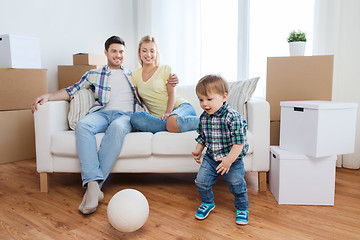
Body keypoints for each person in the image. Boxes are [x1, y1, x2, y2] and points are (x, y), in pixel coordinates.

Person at [31, 36, 177, 215]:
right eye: (114, 51)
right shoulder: (94, 74)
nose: (118, 55)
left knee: (117, 128)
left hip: (125, 116)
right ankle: (93, 184)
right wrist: (48, 96)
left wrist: (172, 81)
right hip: (102, 113)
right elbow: (72, 90)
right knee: (82, 125)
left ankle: (94, 188)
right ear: (106, 53)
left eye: (121, 52)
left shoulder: (133, 75)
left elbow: (154, 83)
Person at [192, 74, 250, 225]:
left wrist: (229, 161)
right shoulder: (204, 117)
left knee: (237, 184)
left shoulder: (233, 117)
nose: (205, 104)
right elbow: (203, 136)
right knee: (201, 182)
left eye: (209, 99)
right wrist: (198, 150)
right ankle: (208, 202)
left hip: (233, 159)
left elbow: (239, 143)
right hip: (211, 158)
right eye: (201, 100)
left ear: (224, 97)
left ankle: (242, 208)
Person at [130, 35, 199, 133]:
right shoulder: (134, 74)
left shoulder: (165, 69)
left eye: (152, 51)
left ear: (156, 52)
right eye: (144, 50)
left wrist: (168, 113)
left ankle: (210, 122)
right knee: (135, 118)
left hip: (181, 108)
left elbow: (172, 94)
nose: (148, 54)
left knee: (172, 121)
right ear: (139, 52)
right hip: (159, 119)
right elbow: (138, 99)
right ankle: (173, 125)